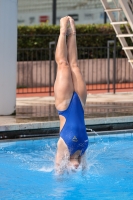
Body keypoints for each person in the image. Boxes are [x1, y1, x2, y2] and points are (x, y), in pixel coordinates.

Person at [54, 16, 89, 172]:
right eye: (78, 167)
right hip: (80, 104)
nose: (76, 167)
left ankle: (62, 32)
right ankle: (73, 32)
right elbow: (86, 172)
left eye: (72, 169)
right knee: (74, 65)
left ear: (65, 164)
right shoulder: (83, 149)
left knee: (63, 65)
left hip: (65, 105)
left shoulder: (64, 146)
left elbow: (57, 170)